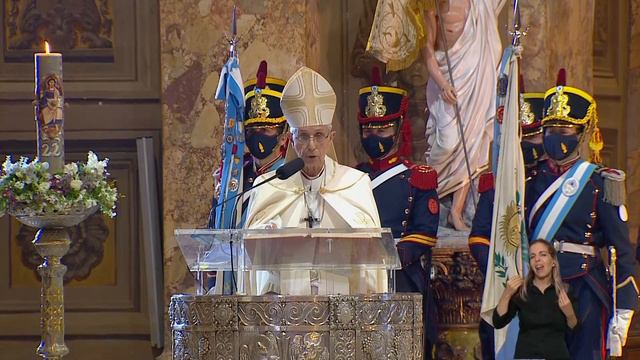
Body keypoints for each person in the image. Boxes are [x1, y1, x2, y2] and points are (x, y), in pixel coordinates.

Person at [526, 70, 638, 359]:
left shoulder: (600, 182)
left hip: (584, 285)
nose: (556, 138)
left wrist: (624, 307)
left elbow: (621, 250)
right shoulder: (530, 180)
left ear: (582, 133)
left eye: (565, 132)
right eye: (550, 131)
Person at [244, 66, 382, 295]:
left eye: (319, 135)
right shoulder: (268, 187)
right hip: (287, 310)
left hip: (342, 308)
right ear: (291, 138)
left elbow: (371, 256)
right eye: (303, 136)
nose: (311, 146)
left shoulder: (356, 184)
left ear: (331, 138)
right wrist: (271, 231)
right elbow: (254, 260)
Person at [355, 67, 440, 358]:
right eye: (368, 129)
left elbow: (425, 231)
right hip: (358, 278)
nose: (374, 135)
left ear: (398, 126)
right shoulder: (352, 178)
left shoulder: (419, 177)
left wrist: (387, 256)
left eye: (382, 129)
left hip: (401, 278)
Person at [468, 87, 546, 360]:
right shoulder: (497, 184)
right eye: (522, 136)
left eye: (534, 135)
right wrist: (501, 265)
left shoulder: (550, 184)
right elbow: (478, 235)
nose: (528, 143)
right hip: (504, 289)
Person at [423, 0, 506, 230]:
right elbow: (428, 52)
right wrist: (441, 84)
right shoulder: (432, 7)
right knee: (447, 143)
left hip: (478, 78)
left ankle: (457, 212)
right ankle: (426, 197)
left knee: (473, 143)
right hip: (448, 81)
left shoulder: (482, 4)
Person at [207, 61, 289, 228]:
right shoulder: (238, 173)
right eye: (251, 130)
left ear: (283, 136)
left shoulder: (290, 175)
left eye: (266, 130)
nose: (257, 136)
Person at [492, 239, 578, 360]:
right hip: (527, 356)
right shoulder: (522, 292)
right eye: (532, 256)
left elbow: (574, 328)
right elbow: (498, 322)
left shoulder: (565, 291)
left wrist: (569, 313)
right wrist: (507, 294)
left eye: (543, 254)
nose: (537, 259)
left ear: (553, 261)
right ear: (530, 264)